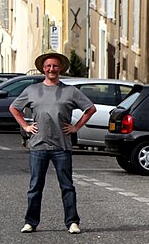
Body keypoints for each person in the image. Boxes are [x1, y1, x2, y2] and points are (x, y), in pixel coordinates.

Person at [9, 51, 97, 234]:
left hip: (62, 146)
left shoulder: (70, 91)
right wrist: (26, 126)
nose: (52, 69)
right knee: (35, 187)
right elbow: (14, 108)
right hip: (38, 146)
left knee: (67, 186)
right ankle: (30, 222)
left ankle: (72, 222)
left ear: (60, 68)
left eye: (55, 66)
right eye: (48, 66)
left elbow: (90, 109)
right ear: (43, 68)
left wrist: (76, 128)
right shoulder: (32, 90)